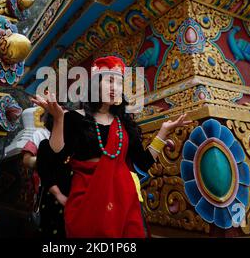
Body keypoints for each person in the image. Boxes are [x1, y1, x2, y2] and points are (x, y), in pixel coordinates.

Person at [32, 55, 191, 238]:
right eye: (109, 81)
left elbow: (144, 162)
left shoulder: (124, 123)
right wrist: (59, 120)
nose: (115, 88)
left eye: (118, 83)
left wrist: (163, 133)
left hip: (123, 199)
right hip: (86, 198)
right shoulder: (75, 117)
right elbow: (56, 156)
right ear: (94, 85)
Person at [36, 112, 72, 238]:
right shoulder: (45, 145)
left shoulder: (76, 146)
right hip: (53, 198)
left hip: (75, 198)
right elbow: (45, 173)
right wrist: (59, 195)